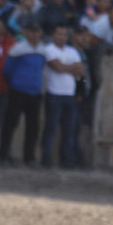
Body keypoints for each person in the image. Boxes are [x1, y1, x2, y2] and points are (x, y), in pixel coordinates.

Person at [0, 15, 46, 168]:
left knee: (33, 127)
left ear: (40, 32)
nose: (33, 34)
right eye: (31, 31)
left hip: (35, 93)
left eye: (36, 31)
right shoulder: (18, 48)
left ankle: (29, 157)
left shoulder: (42, 49)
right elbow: (8, 70)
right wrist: (17, 83)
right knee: (11, 124)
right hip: (18, 91)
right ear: (25, 32)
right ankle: (4, 155)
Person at [40, 24, 84, 168]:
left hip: (69, 95)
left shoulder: (72, 50)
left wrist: (65, 68)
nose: (62, 37)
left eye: (64, 34)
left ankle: (67, 160)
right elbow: (57, 68)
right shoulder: (49, 49)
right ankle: (46, 158)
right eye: (59, 34)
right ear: (53, 35)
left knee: (69, 130)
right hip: (54, 94)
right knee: (51, 128)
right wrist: (71, 68)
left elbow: (82, 71)